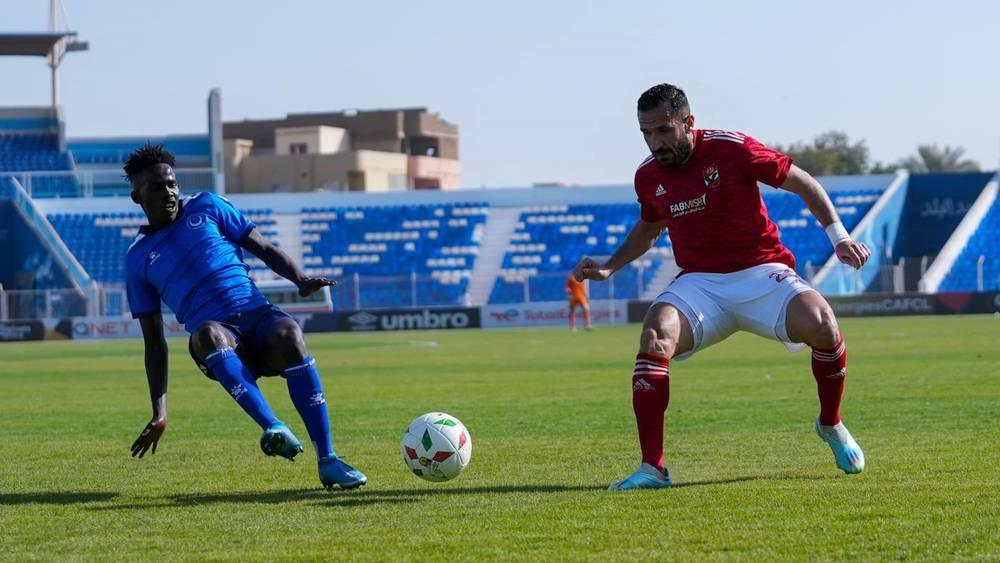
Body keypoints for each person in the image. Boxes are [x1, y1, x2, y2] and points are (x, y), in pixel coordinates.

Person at [573, 84, 870, 491]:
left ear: (688, 122)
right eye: (646, 133)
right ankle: (653, 468)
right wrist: (610, 265)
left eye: (663, 130)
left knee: (823, 324)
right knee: (655, 334)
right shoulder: (648, 176)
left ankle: (830, 423)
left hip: (763, 272)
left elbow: (802, 182)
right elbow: (650, 225)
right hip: (701, 284)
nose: (655, 142)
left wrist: (839, 237)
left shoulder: (732, 149)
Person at [123, 143, 366, 490]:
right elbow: (154, 343)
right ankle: (273, 427)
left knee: (290, 332)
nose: (168, 192)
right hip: (221, 338)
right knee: (207, 334)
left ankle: (328, 460)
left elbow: (264, 248)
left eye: (171, 183)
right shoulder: (138, 259)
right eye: (156, 187)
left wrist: (299, 279)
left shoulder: (208, 205)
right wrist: (159, 411)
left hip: (257, 318)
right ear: (137, 197)